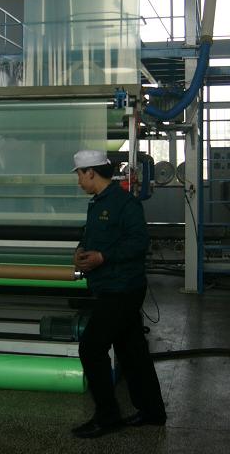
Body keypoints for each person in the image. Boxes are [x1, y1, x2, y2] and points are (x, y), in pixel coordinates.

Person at [70, 149, 166, 439]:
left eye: (79, 175)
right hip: (110, 286)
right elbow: (91, 234)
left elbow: (139, 242)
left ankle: (108, 416)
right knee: (132, 349)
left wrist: (103, 257)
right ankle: (152, 411)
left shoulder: (124, 203)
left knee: (91, 348)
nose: (78, 181)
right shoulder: (97, 203)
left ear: (91, 172)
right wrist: (80, 250)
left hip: (122, 288)